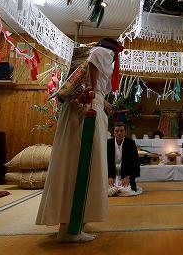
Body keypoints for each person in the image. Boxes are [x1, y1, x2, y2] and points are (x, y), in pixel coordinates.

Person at [36, 38, 123, 242]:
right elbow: (95, 61)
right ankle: (70, 229)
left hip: (82, 108)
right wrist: (93, 91)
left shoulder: (84, 60)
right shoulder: (103, 52)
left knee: (71, 163)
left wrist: (100, 99)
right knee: (84, 164)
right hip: (87, 111)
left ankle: (70, 222)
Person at [107, 122, 142, 196]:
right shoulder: (109, 143)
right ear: (113, 132)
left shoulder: (130, 143)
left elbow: (135, 161)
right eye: (116, 131)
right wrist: (109, 176)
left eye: (121, 131)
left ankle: (121, 187)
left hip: (125, 174)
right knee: (109, 192)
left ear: (125, 132)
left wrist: (128, 176)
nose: (119, 133)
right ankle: (115, 186)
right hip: (112, 174)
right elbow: (106, 161)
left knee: (127, 192)